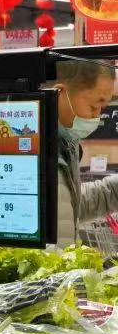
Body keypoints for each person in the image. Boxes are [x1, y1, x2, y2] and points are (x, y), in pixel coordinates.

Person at [54, 60, 118, 246]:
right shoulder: (23, 149)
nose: (96, 117)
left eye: (102, 109)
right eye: (93, 106)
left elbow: (65, 208)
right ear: (59, 93)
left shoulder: (65, 144)